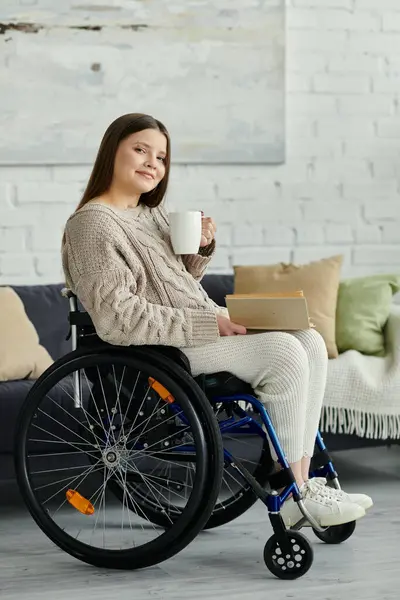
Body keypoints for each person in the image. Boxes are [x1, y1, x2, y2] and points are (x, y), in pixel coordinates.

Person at [62, 113, 372, 528]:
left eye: (162, 157)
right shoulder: (92, 225)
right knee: (283, 353)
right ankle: (295, 489)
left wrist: (198, 252)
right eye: (140, 150)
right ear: (111, 152)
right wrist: (212, 324)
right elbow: (118, 319)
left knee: (308, 338)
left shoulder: (151, 215)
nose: (153, 163)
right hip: (163, 348)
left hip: (193, 328)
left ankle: (304, 482)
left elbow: (172, 285)